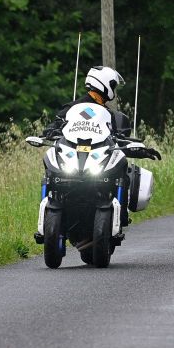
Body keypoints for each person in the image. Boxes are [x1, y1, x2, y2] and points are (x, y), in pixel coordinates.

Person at [44, 66, 135, 228]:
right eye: (113, 85)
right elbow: (56, 124)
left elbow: (122, 136)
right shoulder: (72, 108)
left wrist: (133, 144)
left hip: (98, 157)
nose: (113, 90)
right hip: (73, 156)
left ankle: (121, 214)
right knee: (50, 165)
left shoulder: (111, 115)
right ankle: (48, 209)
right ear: (104, 84)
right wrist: (51, 130)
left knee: (123, 165)